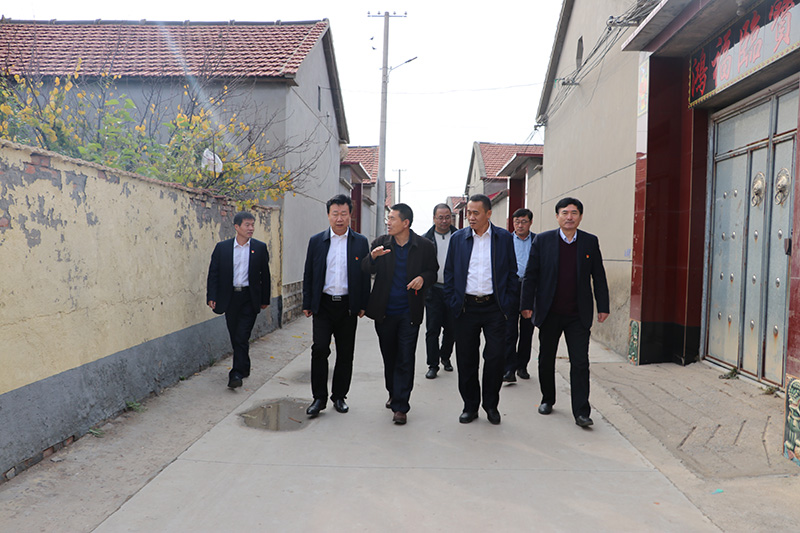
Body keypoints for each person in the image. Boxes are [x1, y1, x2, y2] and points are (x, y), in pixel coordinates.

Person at [521, 197, 610, 428]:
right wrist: (526, 304)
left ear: (580, 216)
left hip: (577, 314)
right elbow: (531, 275)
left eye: (574, 213)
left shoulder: (590, 241)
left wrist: (603, 306)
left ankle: (581, 412)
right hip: (550, 312)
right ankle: (547, 399)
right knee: (546, 359)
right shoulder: (543, 241)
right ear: (557, 216)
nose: (569, 217)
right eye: (564, 213)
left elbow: (598, 276)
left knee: (580, 362)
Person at [444, 194, 518, 425]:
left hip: (495, 308)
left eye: (476, 213)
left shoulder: (503, 238)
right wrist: (453, 301)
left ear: (488, 214)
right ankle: (470, 406)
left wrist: (508, 302)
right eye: (469, 213)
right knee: (466, 359)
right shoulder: (458, 239)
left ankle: (491, 405)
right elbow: (449, 273)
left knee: (495, 358)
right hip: (466, 307)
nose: (471, 217)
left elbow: (512, 273)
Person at [363, 203, 438, 425]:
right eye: (388, 218)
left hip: (409, 312)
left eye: (392, 218)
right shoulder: (381, 243)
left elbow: (433, 271)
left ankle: (401, 406)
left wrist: (423, 278)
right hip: (385, 312)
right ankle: (393, 392)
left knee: (405, 358)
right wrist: (373, 257)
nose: (388, 222)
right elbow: (366, 269)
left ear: (405, 223)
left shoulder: (424, 246)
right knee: (390, 357)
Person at [302, 195, 370, 417]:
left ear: (350, 215)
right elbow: (309, 273)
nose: (339, 218)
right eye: (335, 214)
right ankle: (318, 398)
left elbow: (365, 275)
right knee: (320, 349)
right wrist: (307, 302)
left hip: (348, 306)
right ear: (328, 215)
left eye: (343, 214)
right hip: (323, 304)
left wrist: (363, 304)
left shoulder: (360, 242)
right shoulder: (316, 241)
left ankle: (339, 396)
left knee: (345, 353)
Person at [206, 211, 271, 389]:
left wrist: (265, 298)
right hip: (230, 298)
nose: (251, 228)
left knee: (242, 335)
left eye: (252, 225)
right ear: (237, 227)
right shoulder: (223, 248)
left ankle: (235, 373)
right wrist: (212, 296)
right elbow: (214, 273)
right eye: (247, 225)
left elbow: (265, 276)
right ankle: (244, 366)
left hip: (250, 298)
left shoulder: (259, 248)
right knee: (235, 334)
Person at [422, 203, 458, 379]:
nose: (444, 221)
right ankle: (433, 364)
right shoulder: (425, 240)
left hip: (453, 290)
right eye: (440, 217)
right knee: (432, 329)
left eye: (447, 217)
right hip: (433, 290)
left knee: (452, 329)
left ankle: (445, 356)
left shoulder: (459, 237)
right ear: (434, 218)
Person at [503, 208, 536, 383]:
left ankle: (522, 366)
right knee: (509, 331)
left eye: (524, 222)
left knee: (527, 330)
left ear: (530, 222)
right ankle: (509, 369)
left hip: (530, 289)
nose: (520, 225)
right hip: (511, 287)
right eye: (517, 222)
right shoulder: (506, 241)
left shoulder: (537, 241)